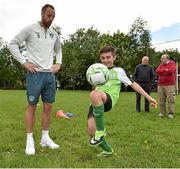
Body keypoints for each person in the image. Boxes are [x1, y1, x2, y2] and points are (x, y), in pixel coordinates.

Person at [8, 4, 62, 155]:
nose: (51, 19)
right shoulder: (30, 29)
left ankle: (45, 138)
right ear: (42, 14)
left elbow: (59, 49)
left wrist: (58, 63)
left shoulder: (53, 34)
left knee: (48, 107)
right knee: (32, 106)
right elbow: (12, 44)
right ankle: (29, 140)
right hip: (35, 74)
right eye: (48, 16)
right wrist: (24, 62)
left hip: (49, 75)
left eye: (53, 17)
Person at [87, 45, 157, 157]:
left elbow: (133, 84)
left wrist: (148, 97)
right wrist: (94, 98)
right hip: (97, 101)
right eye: (103, 58)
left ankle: (101, 131)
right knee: (91, 131)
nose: (105, 60)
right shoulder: (97, 70)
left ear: (114, 57)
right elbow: (95, 87)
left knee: (95, 94)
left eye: (108, 57)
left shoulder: (118, 71)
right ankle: (108, 150)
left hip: (109, 98)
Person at [156, 54, 176, 119]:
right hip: (160, 84)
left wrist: (163, 72)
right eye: (161, 58)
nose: (161, 59)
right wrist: (165, 70)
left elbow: (171, 71)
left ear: (167, 59)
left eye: (163, 58)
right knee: (161, 99)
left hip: (170, 84)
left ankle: (170, 113)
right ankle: (162, 113)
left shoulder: (172, 63)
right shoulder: (161, 64)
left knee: (171, 99)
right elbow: (157, 71)